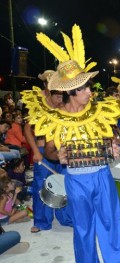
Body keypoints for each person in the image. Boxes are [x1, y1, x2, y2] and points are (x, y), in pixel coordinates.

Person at [30, 23, 120, 263]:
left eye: (89, 87)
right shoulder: (54, 119)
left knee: (112, 220)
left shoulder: (98, 112)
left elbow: (108, 138)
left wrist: (114, 146)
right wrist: (58, 154)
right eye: (84, 89)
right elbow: (48, 150)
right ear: (71, 92)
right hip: (76, 180)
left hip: (102, 174)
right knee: (83, 225)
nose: (90, 92)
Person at [21, 72, 73, 234]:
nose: (59, 94)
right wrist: (36, 151)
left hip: (63, 151)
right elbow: (27, 129)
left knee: (65, 185)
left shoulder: (66, 106)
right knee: (41, 185)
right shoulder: (39, 106)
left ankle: (66, 218)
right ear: (47, 87)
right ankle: (42, 221)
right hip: (43, 152)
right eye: (55, 89)